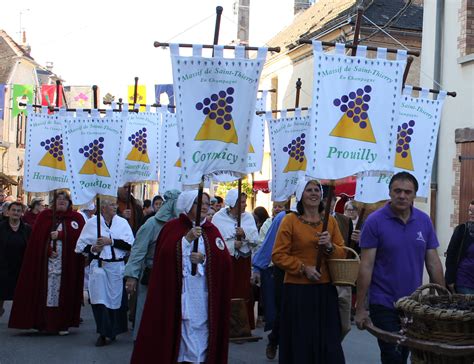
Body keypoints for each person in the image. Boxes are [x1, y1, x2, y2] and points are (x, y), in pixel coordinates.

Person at [131, 190, 232, 364]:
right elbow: (163, 258)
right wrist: (186, 241)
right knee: (184, 331)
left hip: (203, 295)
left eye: (207, 203)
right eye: (199, 202)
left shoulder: (212, 230)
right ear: (188, 205)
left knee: (202, 331)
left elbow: (224, 262)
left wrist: (205, 259)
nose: (205, 206)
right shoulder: (172, 228)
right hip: (179, 293)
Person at [355, 172, 445, 364]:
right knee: (393, 353)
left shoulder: (424, 221)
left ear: (414, 195)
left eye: (407, 192)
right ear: (390, 192)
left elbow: (433, 262)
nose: (402, 196)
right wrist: (360, 308)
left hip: (413, 304)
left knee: (406, 352)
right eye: (397, 191)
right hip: (383, 302)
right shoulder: (374, 221)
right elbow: (366, 267)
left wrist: (443, 300)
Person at [272, 179, 346, 363]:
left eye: (317, 190)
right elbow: (278, 255)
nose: (314, 193)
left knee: (328, 342)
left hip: (325, 290)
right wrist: (303, 268)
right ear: (301, 195)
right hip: (298, 291)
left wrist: (329, 246)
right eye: (309, 190)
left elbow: (342, 252)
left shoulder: (330, 222)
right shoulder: (290, 221)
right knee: (301, 341)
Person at [9, 191, 85, 334]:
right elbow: (36, 242)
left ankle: (63, 324)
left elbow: (81, 240)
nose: (62, 201)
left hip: (67, 266)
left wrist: (62, 235)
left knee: (65, 292)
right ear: (54, 201)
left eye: (65, 199)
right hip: (47, 265)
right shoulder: (44, 216)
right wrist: (47, 250)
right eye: (59, 198)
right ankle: (44, 323)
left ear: (70, 202)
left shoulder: (77, 218)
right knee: (46, 292)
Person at [76, 198, 134, 346]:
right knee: (99, 300)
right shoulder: (92, 223)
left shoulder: (122, 223)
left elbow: (129, 244)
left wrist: (111, 241)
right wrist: (93, 249)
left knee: (115, 302)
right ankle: (103, 332)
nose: (115, 207)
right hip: (99, 267)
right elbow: (81, 246)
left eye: (115, 204)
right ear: (102, 207)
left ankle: (112, 330)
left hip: (116, 268)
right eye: (111, 204)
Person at [124, 189, 181, 339]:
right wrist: (132, 276)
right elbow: (138, 251)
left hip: (173, 275)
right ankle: (143, 341)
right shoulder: (152, 224)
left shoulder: (181, 225)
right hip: (152, 273)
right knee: (147, 310)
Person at [212, 189, 259, 330]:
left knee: (243, 291)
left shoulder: (248, 217)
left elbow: (255, 239)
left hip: (242, 262)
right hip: (227, 261)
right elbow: (216, 242)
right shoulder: (218, 218)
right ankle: (226, 326)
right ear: (233, 203)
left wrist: (244, 233)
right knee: (228, 290)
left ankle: (243, 326)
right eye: (242, 202)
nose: (245, 205)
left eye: (245, 202)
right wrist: (232, 244)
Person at [252, 207, 288, 360]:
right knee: (283, 312)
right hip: (282, 271)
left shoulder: (322, 219)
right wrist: (258, 267)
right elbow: (269, 243)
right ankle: (274, 340)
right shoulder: (283, 217)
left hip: (309, 274)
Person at [0, 202, 32, 317]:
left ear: (22, 213)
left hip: (21, 266)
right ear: (8, 212)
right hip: (3, 266)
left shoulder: (27, 229)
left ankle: (19, 317)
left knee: (21, 294)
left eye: (18, 211)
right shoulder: (1, 227)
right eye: (13, 210)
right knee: (1, 293)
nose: (16, 213)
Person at [445, 200, 474, 294]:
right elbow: (451, 255)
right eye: (470, 210)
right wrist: (450, 280)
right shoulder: (462, 230)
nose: (471, 214)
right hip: (465, 282)